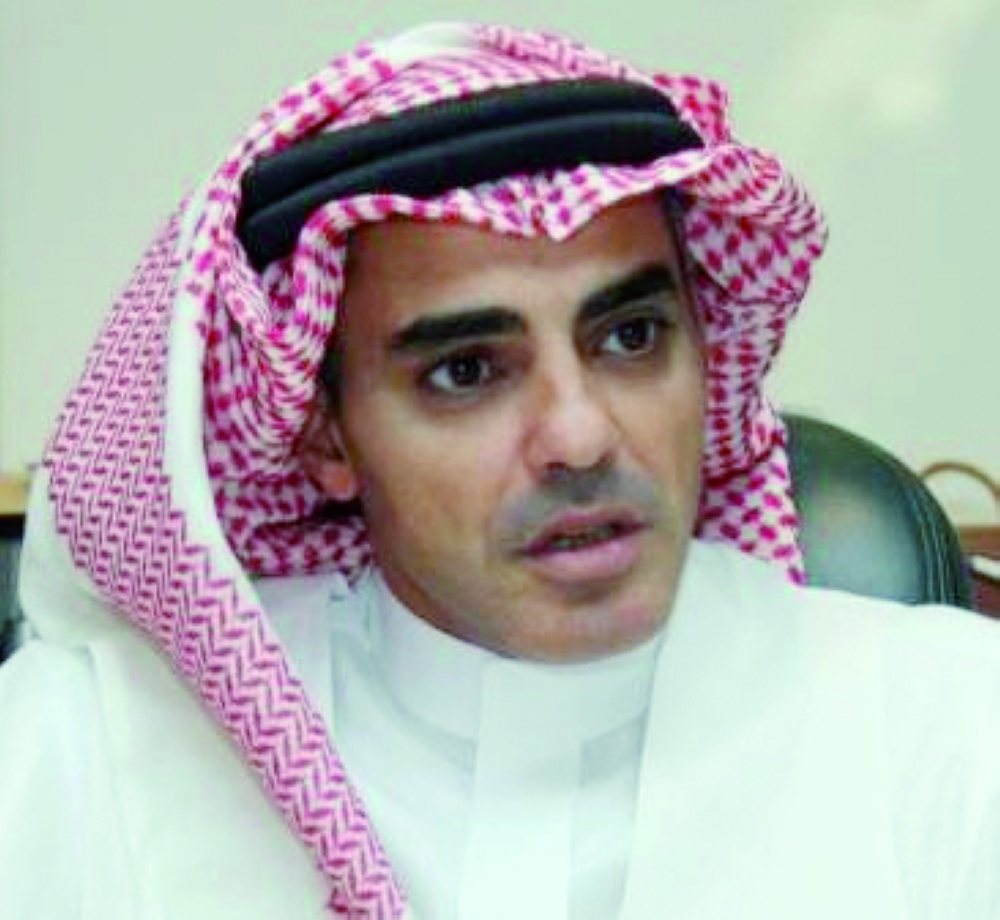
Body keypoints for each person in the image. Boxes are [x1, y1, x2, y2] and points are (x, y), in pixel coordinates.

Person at [1, 21, 998, 920]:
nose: (580, 435)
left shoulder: (948, 725)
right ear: (326, 439)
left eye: (631, 335)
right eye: (467, 370)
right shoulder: (85, 760)